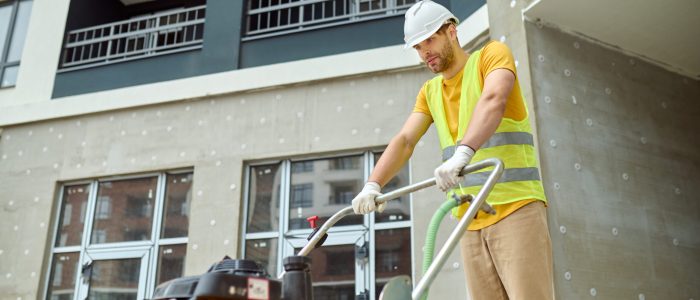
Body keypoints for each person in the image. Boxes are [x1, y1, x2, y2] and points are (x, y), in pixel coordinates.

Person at [351, 1, 554, 299]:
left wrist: (463, 152)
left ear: (451, 31)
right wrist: (373, 184)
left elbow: (494, 98)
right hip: (469, 221)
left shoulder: (492, 56)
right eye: (418, 48)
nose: (425, 53)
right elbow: (405, 140)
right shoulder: (430, 92)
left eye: (430, 40)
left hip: (516, 209)